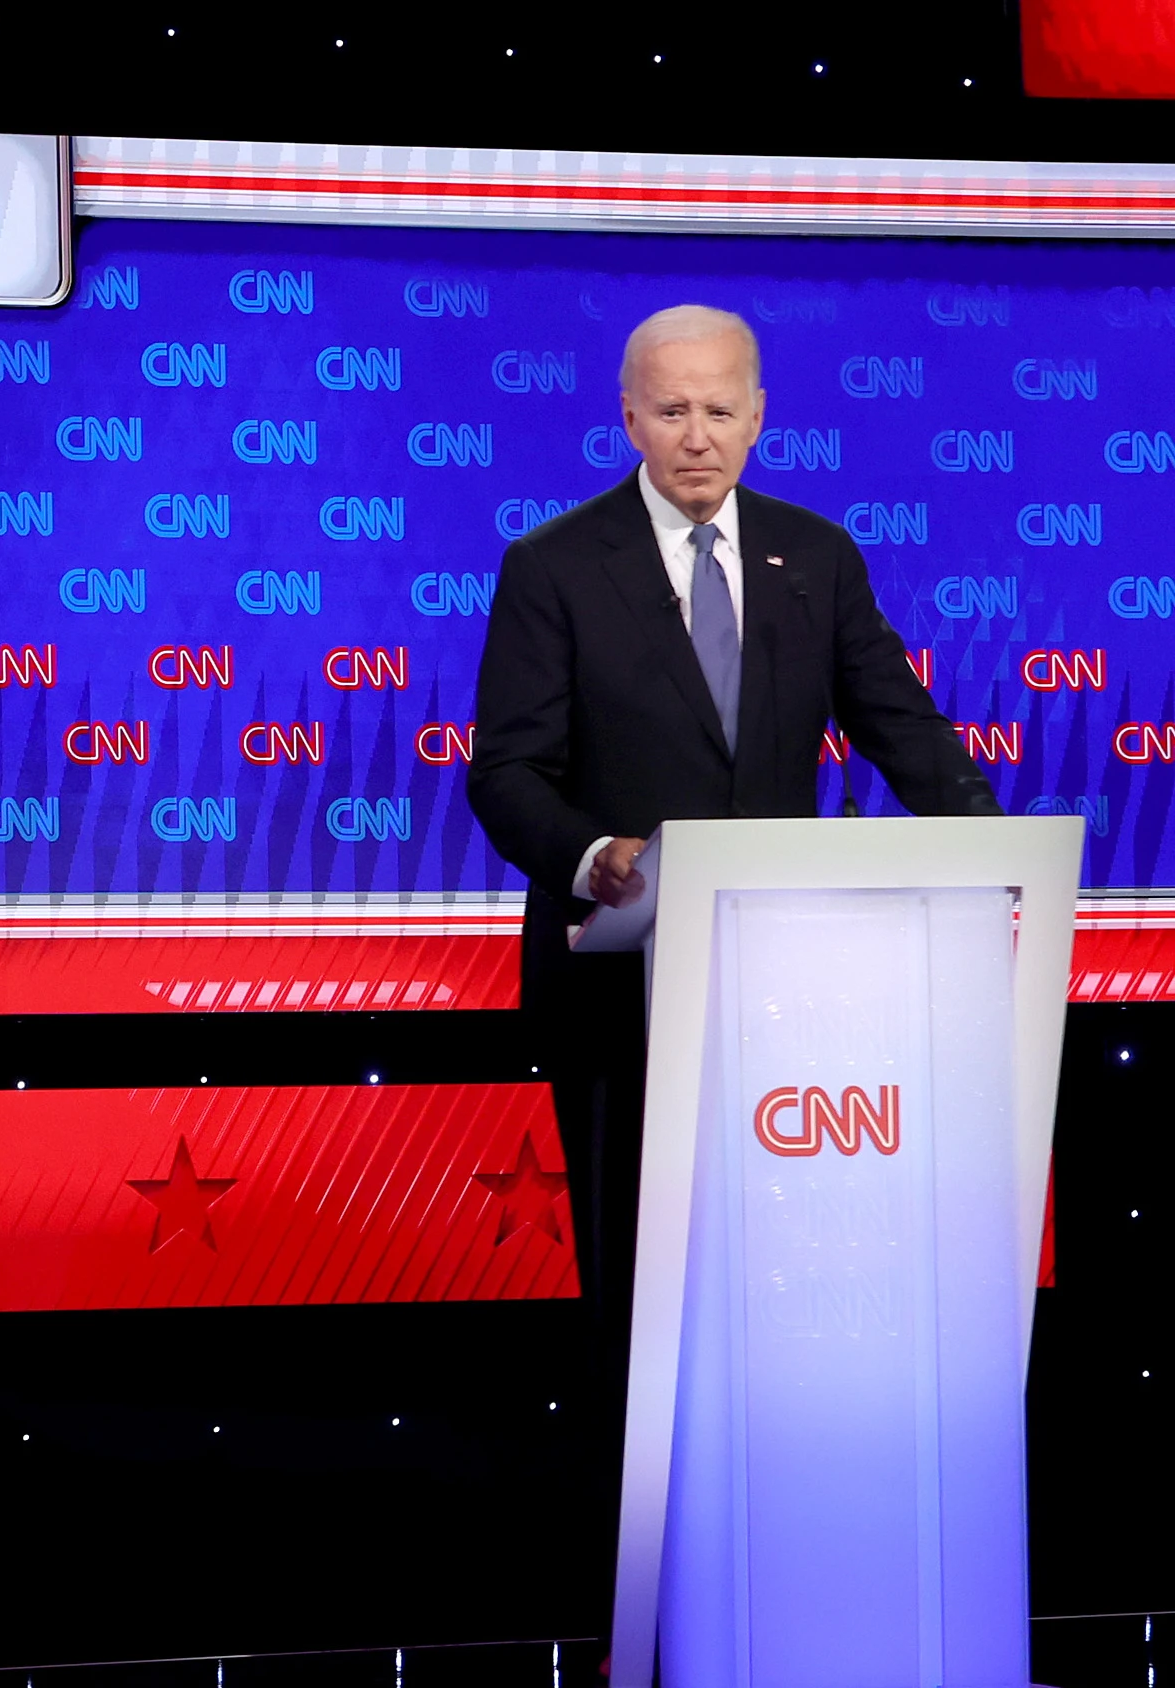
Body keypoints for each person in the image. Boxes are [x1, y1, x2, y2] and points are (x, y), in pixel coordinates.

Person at [467, 303, 999, 1656]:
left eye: (720, 409)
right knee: (642, 1302)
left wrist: (990, 851)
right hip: (620, 988)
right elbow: (507, 771)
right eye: (669, 410)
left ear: (760, 414)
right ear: (626, 417)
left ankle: (792, 1542)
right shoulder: (553, 565)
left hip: (791, 999)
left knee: (779, 1290)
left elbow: (896, 719)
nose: (696, 434)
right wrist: (596, 857)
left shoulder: (814, 556)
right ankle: (640, 1586)